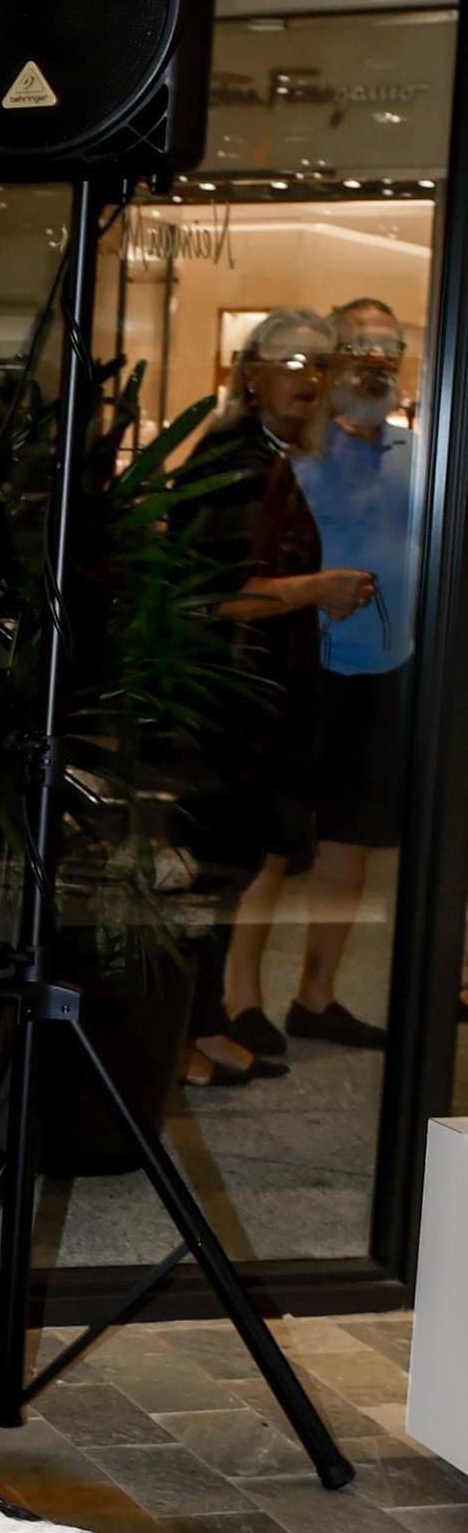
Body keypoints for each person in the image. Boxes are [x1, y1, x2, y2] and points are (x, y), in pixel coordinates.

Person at [168, 311, 372, 1080]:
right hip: (217, 710)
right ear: (249, 373)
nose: (308, 380)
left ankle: (206, 1023)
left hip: (247, 710)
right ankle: (184, 1037)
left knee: (230, 867)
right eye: (289, 362)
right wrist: (317, 589)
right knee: (208, 874)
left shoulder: (268, 457)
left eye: (319, 365)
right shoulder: (234, 457)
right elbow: (220, 598)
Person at [285, 296, 419, 1050]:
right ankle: (236, 1008)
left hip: (387, 672)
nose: (375, 361)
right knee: (274, 843)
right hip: (307, 670)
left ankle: (316, 998)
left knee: (351, 841)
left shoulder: (418, 451)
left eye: (388, 350)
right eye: (359, 348)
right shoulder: (299, 449)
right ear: (332, 358)